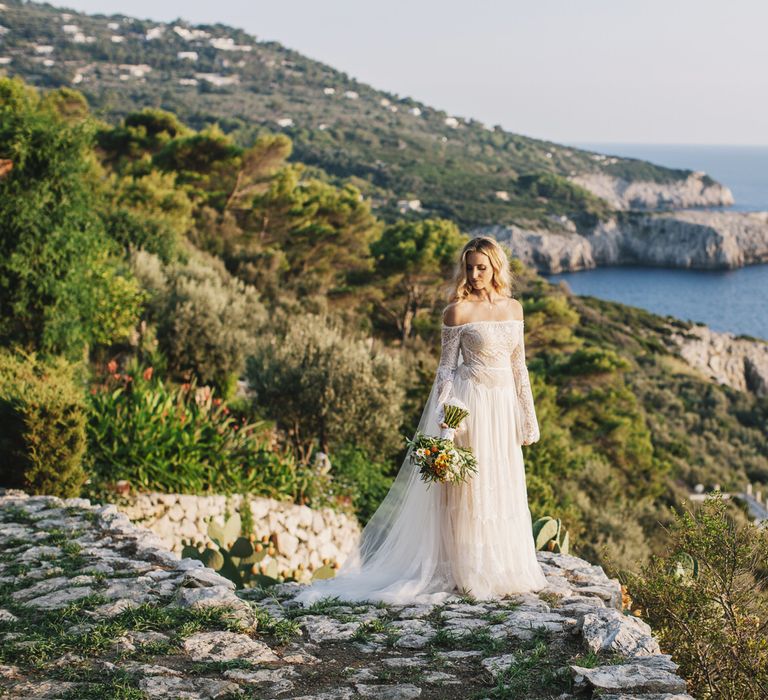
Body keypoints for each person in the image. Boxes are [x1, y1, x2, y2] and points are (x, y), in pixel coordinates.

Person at [294, 236, 549, 606]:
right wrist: (445, 421)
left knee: (500, 482)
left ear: (496, 267)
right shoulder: (457, 311)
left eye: (482, 267)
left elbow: (518, 366)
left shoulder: (514, 309)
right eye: (469, 267)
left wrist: (529, 416)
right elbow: (445, 371)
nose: (475, 274)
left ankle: (501, 566)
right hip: (469, 405)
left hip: (503, 405)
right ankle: (466, 570)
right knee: (467, 490)